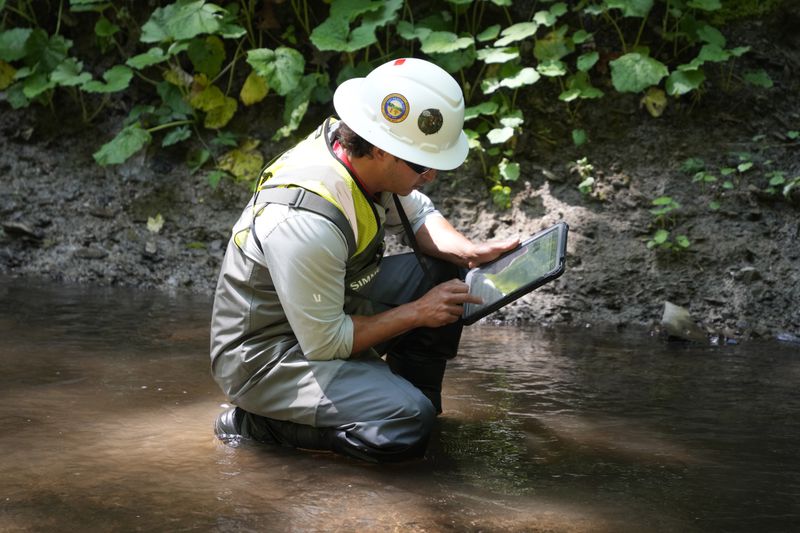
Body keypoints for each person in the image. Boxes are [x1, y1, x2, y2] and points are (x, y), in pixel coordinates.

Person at [210, 57, 518, 462]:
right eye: (422, 164)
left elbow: (420, 213)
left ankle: (407, 399)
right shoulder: (306, 220)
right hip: (268, 356)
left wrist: (468, 251)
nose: (430, 176)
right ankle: (257, 424)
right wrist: (417, 313)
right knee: (405, 426)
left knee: (444, 273)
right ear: (379, 150)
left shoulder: (355, 158)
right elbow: (326, 343)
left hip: (324, 310)